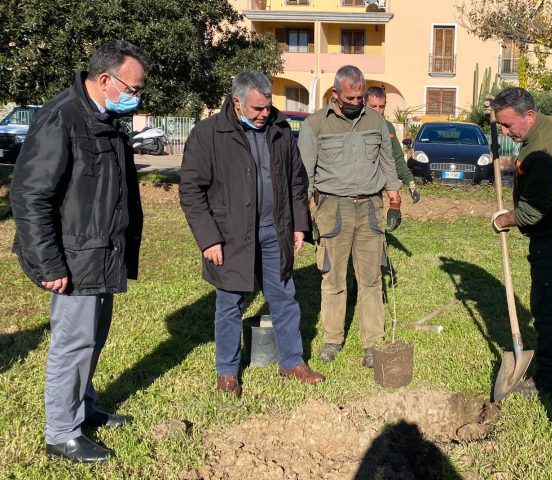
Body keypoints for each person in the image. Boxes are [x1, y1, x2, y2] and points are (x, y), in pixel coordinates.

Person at [10, 40, 148, 463]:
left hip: (101, 253)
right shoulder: (63, 118)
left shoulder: (103, 118)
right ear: (105, 79)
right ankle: (61, 433)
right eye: (133, 87)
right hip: (72, 258)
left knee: (93, 339)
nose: (137, 96)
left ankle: (82, 408)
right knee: (73, 344)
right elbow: (30, 195)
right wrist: (48, 263)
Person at [180, 70, 325, 396]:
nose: (264, 114)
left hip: (276, 230)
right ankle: (227, 372)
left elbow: (295, 181)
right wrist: (208, 238)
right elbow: (191, 191)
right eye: (257, 108)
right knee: (230, 302)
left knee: (284, 297)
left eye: (267, 107)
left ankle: (292, 361)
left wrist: (299, 225)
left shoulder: (280, 130)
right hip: (230, 235)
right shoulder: (208, 134)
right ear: (237, 102)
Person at [298, 65, 402, 368]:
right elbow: (305, 174)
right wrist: (302, 215)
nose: (357, 103)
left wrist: (394, 199)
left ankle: (372, 342)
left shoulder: (376, 122)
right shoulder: (316, 125)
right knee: (333, 278)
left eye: (360, 97)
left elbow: (387, 163)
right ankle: (333, 339)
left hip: (370, 208)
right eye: (351, 98)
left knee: (370, 279)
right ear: (335, 94)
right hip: (333, 208)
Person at [489, 87, 552, 396]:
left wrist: (503, 219)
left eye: (508, 125)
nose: (505, 132)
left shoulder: (539, 150)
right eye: (500, 126)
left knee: (544, 305)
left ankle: (549, 379)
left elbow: (532, 212)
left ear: (528, 115)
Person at [364, 86, 421, 208]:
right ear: (364, 104)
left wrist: (411, 183)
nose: (377, 111)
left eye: (381, 107)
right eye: (373, 106)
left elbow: (397, 158)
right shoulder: (356, 126)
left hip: (376, 189)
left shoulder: (388, 127)